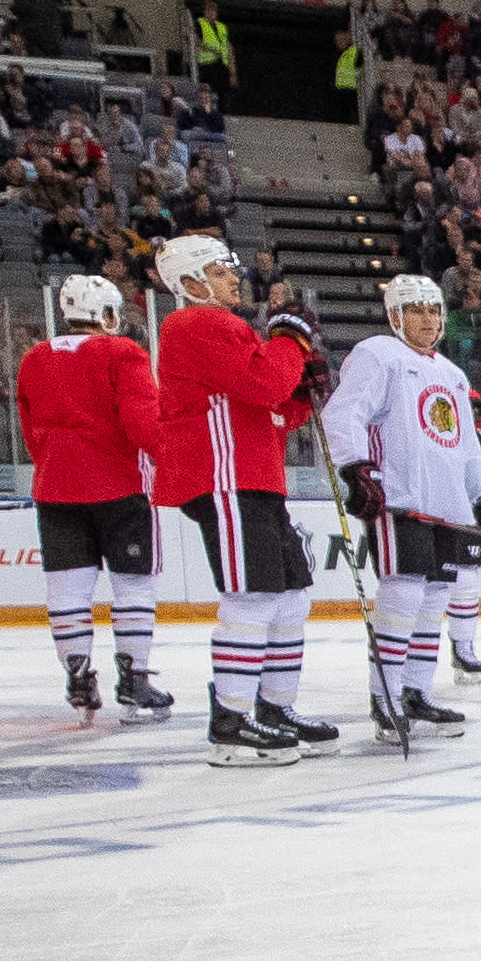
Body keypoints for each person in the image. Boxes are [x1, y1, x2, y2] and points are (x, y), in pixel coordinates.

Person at [150, 234, 327, 766]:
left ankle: (273, 708)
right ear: (190, 282)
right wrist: (291, 346)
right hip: (226, 479)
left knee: (290, 596)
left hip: (255, 477)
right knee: (251, 598)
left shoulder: (224, 328)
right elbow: (264, 384)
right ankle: (230, 720)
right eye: (220, 270)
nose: (235, 278)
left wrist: (299, 388)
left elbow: (271, 411)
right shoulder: (199, 323)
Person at [322, 274, 481, 745]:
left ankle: (415, 694)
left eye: (433, 310)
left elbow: (467, 448)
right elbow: (342, 413)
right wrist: (356, 468)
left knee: (432, 604)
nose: (427, 319)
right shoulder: (378, 355)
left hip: (447, 509)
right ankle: (384, 700)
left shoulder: (451, 373)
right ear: (394, 316)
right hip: (401, 502)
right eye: (415, 310)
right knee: (402, 598)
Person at [12, 271, 175, 722]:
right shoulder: (123, 351)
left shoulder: (34, 358)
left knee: (66, 588)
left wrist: (54, 463)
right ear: (103, 314)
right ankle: (135, 680)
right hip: (120, 485)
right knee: (134, 583)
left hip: (55, 487)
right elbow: (142, 422)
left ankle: (79, 678)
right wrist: (175, 460)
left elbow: (31, 430)